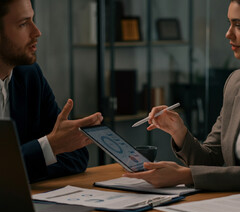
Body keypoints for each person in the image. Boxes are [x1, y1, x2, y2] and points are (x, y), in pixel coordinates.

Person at [124, 0, 240, 191]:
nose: (228, 33)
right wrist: (179, 131)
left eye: (238, 25)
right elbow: (210, 159)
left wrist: (185, 175)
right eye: (229, 23)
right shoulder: (235, 83)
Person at [0, 0, 103, 183]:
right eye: (23, 24)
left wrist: (26, 163)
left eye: (32, 20)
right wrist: (47, 148)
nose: (37, 32)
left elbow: (75, 157)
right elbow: (54, 148)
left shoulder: (29, 75)